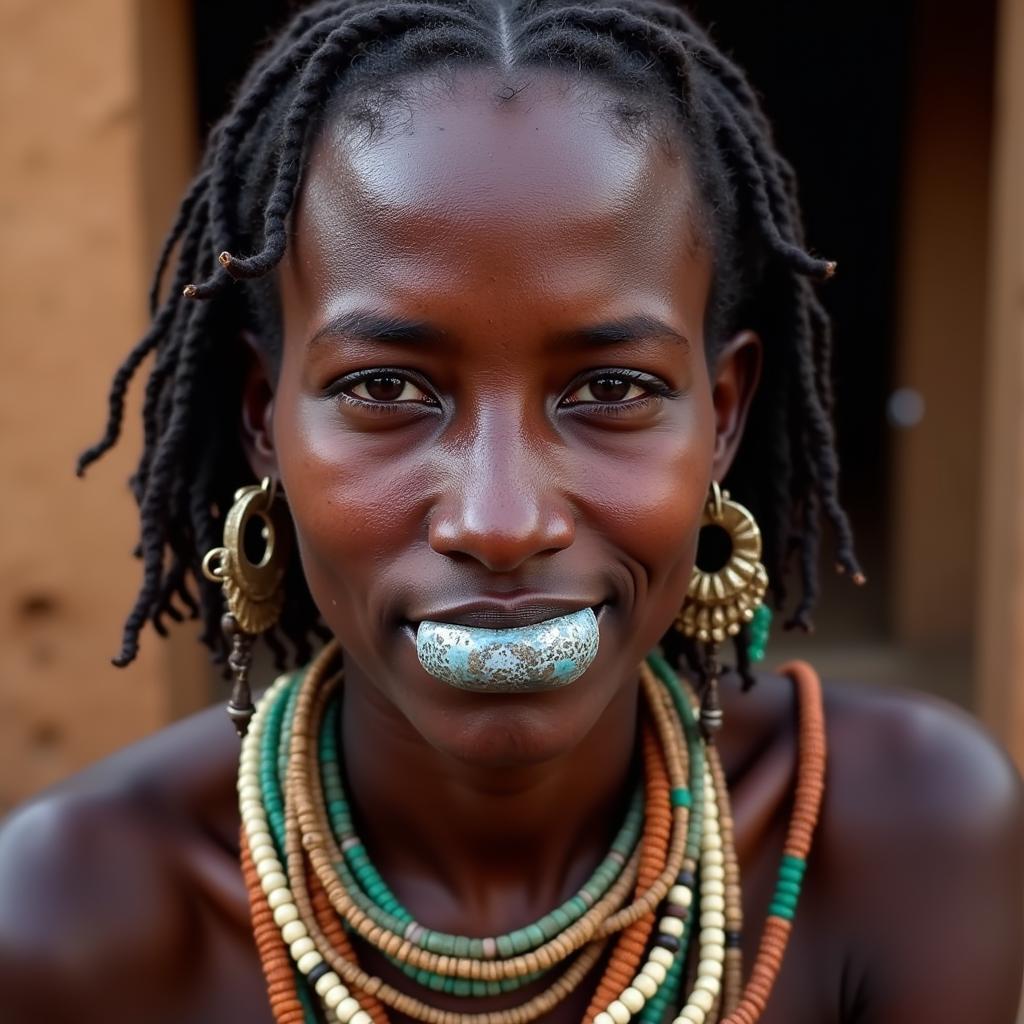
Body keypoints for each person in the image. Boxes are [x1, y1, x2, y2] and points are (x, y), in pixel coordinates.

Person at [1, 2, 1021, 1021]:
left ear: (721, 414)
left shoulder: (899, 837)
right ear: (264, 417)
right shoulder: (79, 918)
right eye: (387, 389)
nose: (498, 520)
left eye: (610, 388)